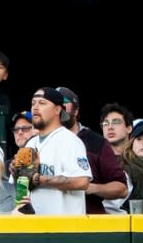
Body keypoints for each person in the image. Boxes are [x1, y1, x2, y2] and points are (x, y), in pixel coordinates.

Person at [10, 87, 91, 215]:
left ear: (57, 109)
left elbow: (82, 181)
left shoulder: (70, 140)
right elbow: (23, 188)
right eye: (33, 103)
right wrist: (16, 174)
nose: (35, 107)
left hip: (64, 227)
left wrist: (39, 179)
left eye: (42, 103)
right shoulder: (30, 143)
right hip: (36, 225)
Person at [56, 86, 127, 213]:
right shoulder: (39, 141)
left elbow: (121, 188)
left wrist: (89, 187)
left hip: (88, 225)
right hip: (48, 222)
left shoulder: (96, 141)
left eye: (64, 103)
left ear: (76, 111)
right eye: (54, 104)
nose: (59, 107)